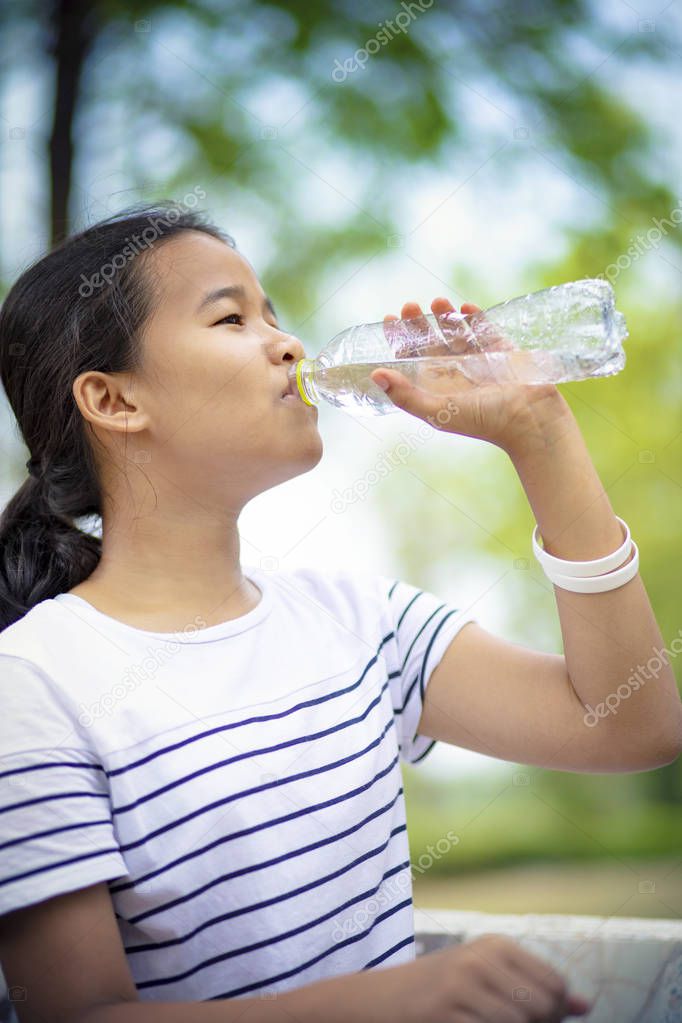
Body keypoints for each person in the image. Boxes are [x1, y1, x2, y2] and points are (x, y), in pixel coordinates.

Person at [0, 203, 678, 1023]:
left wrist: (541, 435)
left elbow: (630, 724)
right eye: (231, 317)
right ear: (112, 399)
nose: (287, 344)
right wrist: (382, 1002)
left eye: (274, 313)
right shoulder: (34, 683)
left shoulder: (359, 619)